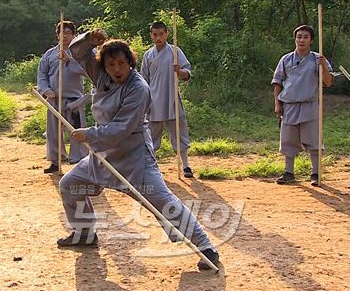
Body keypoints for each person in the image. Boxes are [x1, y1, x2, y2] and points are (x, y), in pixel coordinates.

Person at [56, 29, 220, 270]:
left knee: (163, 202)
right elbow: (76, 52)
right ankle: (84, 234)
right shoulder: (100, 76)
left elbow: (121, 128)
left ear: (130, 63)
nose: (116, 69)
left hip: (134, 158)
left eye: (121, 63)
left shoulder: (138, 88)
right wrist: (90, 38)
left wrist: (89, 134)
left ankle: (206, 246)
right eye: (111, 64)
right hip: (102, 157)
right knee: (69, 185)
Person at [271, 25, 333, 186]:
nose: (301, 40)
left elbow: (328, 82)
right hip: (289, 105)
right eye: (299, 37)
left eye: (305, 37)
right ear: (295, 39)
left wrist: (324, 66)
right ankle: (289, 172)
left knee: (313, 140)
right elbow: (277, 83)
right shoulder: (286, 59)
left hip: (310, 104)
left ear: (311, 40)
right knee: (288, 140)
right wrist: (277, 103)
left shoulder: (317, 59)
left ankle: (316, 173)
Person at [140, 21, 194, 178]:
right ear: (151, 36)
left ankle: (186, 166)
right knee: (152, 135)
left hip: (172, 99)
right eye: (155, 35)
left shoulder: (175, 51)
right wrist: (145, 100)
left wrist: (180, 71)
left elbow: (187, 73)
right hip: (154, 101)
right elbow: (143, 80)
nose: (158, 38)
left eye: (161, 34)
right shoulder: (148, 55)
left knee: (179, 131)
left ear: (167, 34)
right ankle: (152, 167)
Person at [37, 21, 89, 174]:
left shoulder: (79, 54)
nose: (65, 35)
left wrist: (69, 61)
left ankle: (79, 162)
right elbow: (42, 74)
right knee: (53, 132)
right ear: (57, 35)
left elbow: (87, 72)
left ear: (74, 35)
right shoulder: (49, 54)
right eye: (62, 32)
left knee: (77, 132)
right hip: (54, 99)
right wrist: (46, 90)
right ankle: (56, 160)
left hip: (74, 100)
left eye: (68, 32)